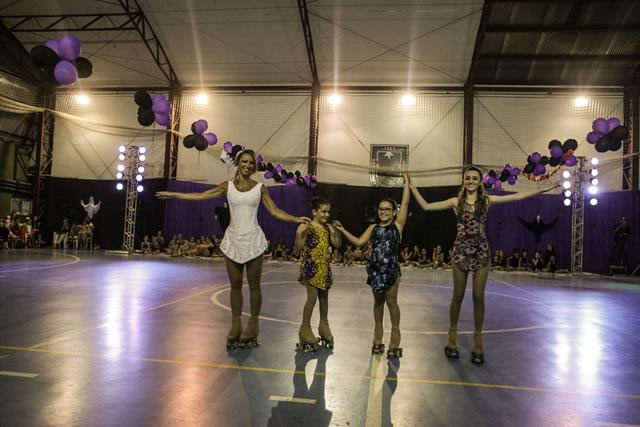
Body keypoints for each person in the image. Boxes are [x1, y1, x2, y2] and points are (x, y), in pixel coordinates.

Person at [157, 149, 309, 348]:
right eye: (244, 161)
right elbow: (202, 195)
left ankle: (253, 325)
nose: (247, 165)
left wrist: (295, 219)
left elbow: (275, 211)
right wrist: (175, 195)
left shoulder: (260, 188)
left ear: (254, 167)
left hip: (253, 240)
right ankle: (236, 324)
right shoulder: (226, 186)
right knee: (235, 285)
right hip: (233, 240)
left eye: (251, 163)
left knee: (254, 286)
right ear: (238, 163)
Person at [408, 166, 557, 365]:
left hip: (481, 252)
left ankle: (478, 340)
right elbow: (426, 206)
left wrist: (541, 190)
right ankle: (452, 336)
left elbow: (516, 197)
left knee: (478, 297)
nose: (470, 181)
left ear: (479, 181)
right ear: (464, 180)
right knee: (458, 296)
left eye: (474, 178)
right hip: (461, 251)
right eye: (467, 178)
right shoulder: (455, 202)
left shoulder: (486, 201)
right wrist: (412, 187)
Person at [334, 174, 410, 358]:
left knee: (392, 303)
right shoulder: (373, 228)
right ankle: (378, 336)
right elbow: (359, 242)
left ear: (394, 212)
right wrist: (342, 230)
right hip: (375, 271)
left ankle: (395, 337)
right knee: (378, 303)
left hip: (391, 270)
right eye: (381, 209)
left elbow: (405, 203)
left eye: (387, 209)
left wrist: (407, 184)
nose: (383, 212)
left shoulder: (398, 226)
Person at [294, 197, 342, 351]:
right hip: (311, 266)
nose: (326, 215)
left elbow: (337, 244)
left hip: (324, 267)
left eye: (328, 212)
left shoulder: (328, 227)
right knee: (312, 298)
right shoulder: (307, 226)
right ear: (314, 212)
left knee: (324, 298)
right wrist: (299, 233)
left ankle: (323, 326)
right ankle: (304, 328)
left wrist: (337, 231)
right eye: (323, 211)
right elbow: (298, 247)